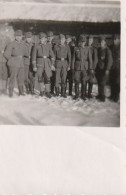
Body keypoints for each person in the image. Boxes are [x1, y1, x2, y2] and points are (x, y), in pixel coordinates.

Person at [32, 32, 55, 98]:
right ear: (39, 39)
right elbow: (34, 57)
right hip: (39, 64)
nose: (42, 40)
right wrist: (34, 66)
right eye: (41, 39)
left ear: (45, 39)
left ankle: (48, 92)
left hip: (47, 64)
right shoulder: (36, 45)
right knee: (40, 78)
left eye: (43, 38)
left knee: (47, 78)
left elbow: (52, 56)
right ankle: (42, 91)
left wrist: (52, 64)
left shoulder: (48, 45)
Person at [4, 29, 25, 97]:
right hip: (14, 64)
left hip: (21, 63)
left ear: (22, 37)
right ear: (15, 36)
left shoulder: (22, 44)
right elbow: (6, 54)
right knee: (12, 78)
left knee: (21, 78)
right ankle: (10, 93)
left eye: (20, 36)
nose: (19, 37)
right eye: (17, 36)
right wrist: (12, 60)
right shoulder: (11, 44)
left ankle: (21, 92)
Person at [72, 35, 93, 100]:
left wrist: (90, 68)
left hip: (85, 67)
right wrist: (72, 68)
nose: (82, 43)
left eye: (84, 42)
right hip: (77, 67)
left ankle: (83, 95)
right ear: (79, 42)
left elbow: (90, 59)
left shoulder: (87, 49)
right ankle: (77, 94)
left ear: (85, 42)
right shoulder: (76, 48)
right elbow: (73, 59)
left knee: (84, 81)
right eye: (81, 41)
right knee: (76, 80)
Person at [96, 36, 113, 102]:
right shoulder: (98, 49)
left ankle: (102, 97)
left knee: (102, 82)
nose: (101, 43)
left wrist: (107, 69)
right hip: (99, 69)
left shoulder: (107, 50)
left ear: (105, 42)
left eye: (102, 42)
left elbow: (110, 60)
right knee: (99, 82)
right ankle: (100, 94)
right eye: (100, 42)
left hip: (104, 69)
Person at [109, 34, 120, 102]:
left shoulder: (121, 47)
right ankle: (112, 95)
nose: (114, 40)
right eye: (113, 39)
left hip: (118, 67)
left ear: (119, 39)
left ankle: (116, 96)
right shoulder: (111, 46)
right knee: (112, 81)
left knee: (117, 82)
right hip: (112, 66)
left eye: (115, 39)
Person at [47, 31, 56, 95]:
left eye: (51, 37)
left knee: (53, 77)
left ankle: (52, 90)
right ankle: (47, 90)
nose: (49, 38)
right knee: (47, 76)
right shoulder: (45, 44)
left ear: (52, 37)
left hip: (53, 62)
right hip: (47, 62)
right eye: (48, 37)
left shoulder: (55, 45)